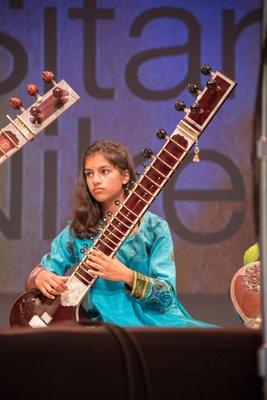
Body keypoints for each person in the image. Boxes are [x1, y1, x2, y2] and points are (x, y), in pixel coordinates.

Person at [25, 140, 215, 327]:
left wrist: (127, 276)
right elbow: (40, 273)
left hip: (153, 321)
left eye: (104, 171)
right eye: (89, 174)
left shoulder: (154, 227)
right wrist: (41, 277)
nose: (95, 180)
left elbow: (166, 296)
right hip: (99, 324)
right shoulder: (79, 229)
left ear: (125, 176)